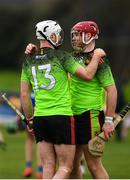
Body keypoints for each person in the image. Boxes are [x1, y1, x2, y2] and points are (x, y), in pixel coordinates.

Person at [21, 20, 105, 179]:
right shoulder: (62, 57)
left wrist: (30, 119)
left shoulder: (27, 61)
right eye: (57, 35)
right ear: (51, 35)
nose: (59, 38)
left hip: (40, 118)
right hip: (62, 118)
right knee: (66, 167)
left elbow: (25, 95)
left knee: (48, 166)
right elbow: (88, 75)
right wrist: (97, 56)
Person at [69, 21, 117, 179]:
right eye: (74, 34)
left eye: (77, 34)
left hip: (90, 116)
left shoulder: (99, 61)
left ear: (88, 36)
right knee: (71, 165)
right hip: (71, 115)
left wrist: (109, 120)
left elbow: (111, 90)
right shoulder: (72, 57)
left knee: (93, 165)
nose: (74, 38)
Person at [17, 92, 43, 179]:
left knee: (29, 139)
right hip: (40, 109)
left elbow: (24, 95)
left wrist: (19, 115)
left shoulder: (28, 79)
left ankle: (28, 167)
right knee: (40, 141)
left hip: (29, 108)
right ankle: (40, 170)